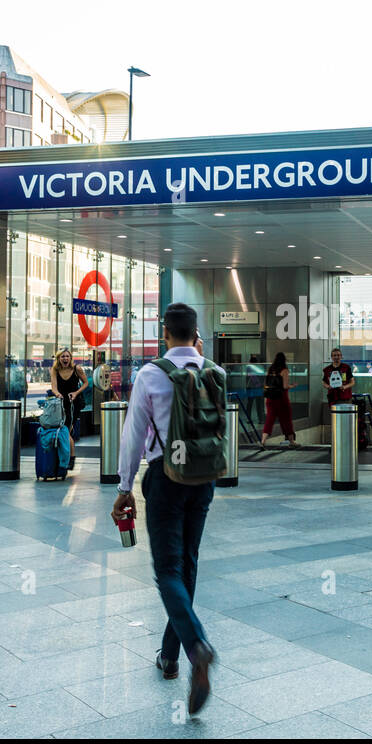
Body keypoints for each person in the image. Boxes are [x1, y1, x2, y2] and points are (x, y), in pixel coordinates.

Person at [112, 303, 218, 715]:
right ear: (195, 333)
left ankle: (196, 647)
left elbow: (133, 435)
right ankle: (169, 656)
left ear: (163, 333)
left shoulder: (151, 374)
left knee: (167, 570)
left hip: (166, 478)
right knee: (187, 564)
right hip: (204, 477)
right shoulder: (213, 372)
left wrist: (124, 487)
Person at [260, 352, 298, 449]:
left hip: (270, 398)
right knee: (286, 420)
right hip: (281, 399)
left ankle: (263, 441)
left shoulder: (270, 369)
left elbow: (266, 384)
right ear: (284, 360)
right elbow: (285, 386)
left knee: (269, 420)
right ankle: (292, 442)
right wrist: (292, 386)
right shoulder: (284, 370)